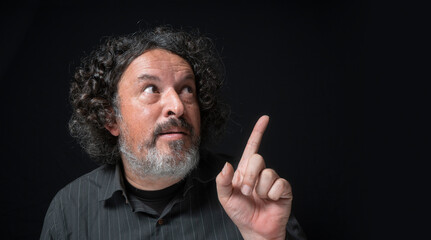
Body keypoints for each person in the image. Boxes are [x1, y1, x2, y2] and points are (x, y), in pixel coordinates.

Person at [40, 25, 306, 240]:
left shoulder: (250, 193)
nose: (178, 107)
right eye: (151, 90)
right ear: (111, 118)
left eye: (187, 89)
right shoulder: (69, 210)